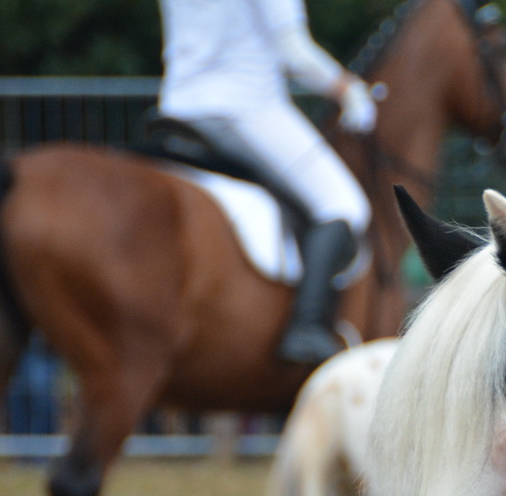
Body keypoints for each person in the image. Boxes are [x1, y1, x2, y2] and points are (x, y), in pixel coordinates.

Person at [156, 0, 377, 364]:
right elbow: (294, 52)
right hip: (247, 106)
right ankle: (306, 327)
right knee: (343, 205)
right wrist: (347, 89)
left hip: (176, 107)